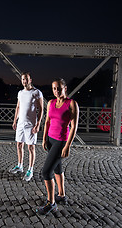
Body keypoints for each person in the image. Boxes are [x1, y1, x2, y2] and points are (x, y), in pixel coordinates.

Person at [36, 78, 79, 215]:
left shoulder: (72, 104)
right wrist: (44, 139)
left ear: (65, 88)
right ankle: (61, 194)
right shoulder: (51, 102)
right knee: (57, 168)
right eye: (54, 88)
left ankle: (51, 203)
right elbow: (47, 121)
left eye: (59, 88)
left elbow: (73, 128)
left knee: (46, 172)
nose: (56, 91)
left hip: (61, 141)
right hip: (50, 139)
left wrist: (67, 146)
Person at [9, 72, 44, 182]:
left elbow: (41, 109)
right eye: (23, 79)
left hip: (31, 124)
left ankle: (30, 169)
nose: (24, 81)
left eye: (26, 79)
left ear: (30, 80)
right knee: (19, 144)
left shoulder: (36, 92)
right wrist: (15, 120)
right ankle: (20, 165)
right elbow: (18, 107)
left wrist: (38, 124)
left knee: (31, 147)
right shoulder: (20, 93)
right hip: (20, 123)